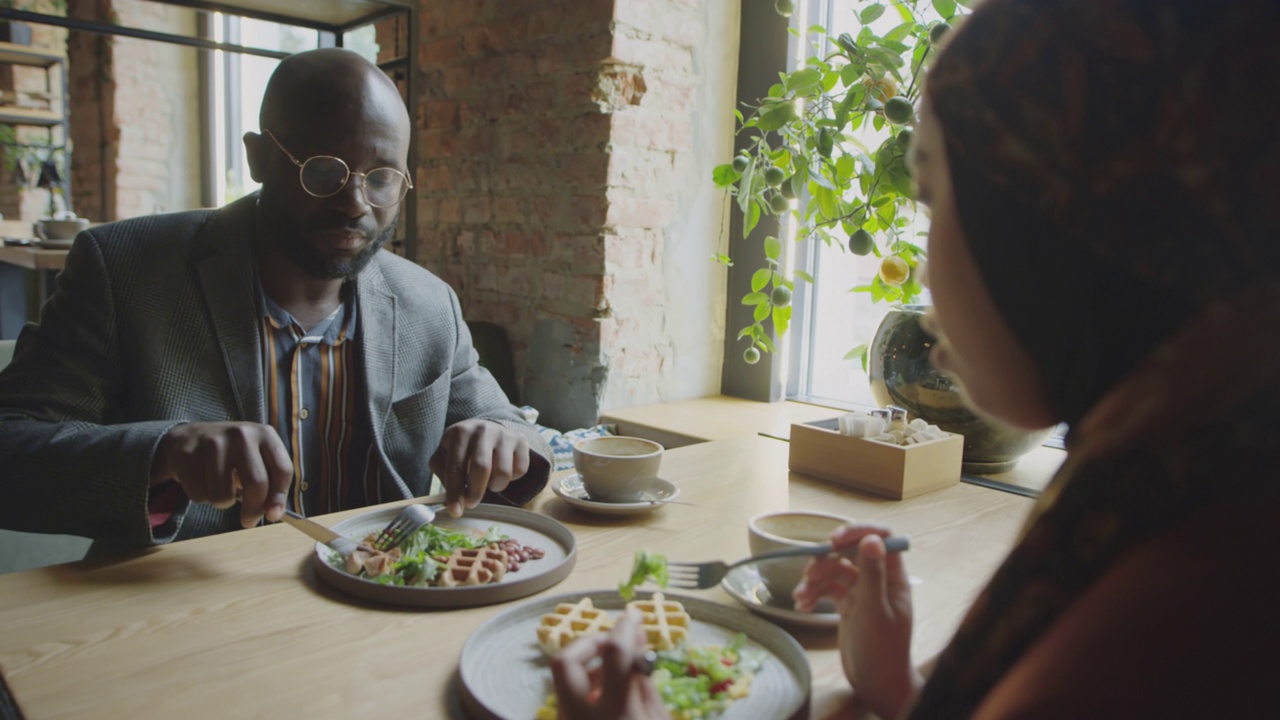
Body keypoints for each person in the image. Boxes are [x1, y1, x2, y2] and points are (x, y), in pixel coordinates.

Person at [549, 0, 1280, 716]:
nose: (924, 273)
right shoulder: (1187, 471)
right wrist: (908, 695)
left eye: (931, 200)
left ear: (1042, 224)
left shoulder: (1186, 608)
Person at [0, 48, 551, 552]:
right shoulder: (124, 270)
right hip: (185, 622)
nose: (355, 203)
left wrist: (502, 438)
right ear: (259, 158)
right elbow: (12, 451)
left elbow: (511, 424)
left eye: (382, 178)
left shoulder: (429, 304)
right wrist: (164, 451)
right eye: (325, 171)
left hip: (382, 610)